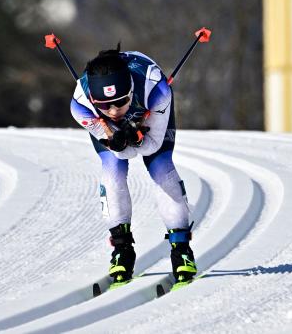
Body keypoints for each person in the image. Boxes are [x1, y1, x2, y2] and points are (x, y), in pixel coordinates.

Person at [70, 44, 197, 285]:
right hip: (116, 124)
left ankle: (182, 251)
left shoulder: (157, 90)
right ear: (94, 101)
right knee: (112, 173)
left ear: (131, 91)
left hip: (148, 112)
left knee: (162, 169)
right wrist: (117, 140)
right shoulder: (80, 105)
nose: (114, 111)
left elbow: (151, 146)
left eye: (120, 101)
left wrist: (135, 137)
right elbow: (121, 155)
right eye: (105, 105)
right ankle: (121, 250)